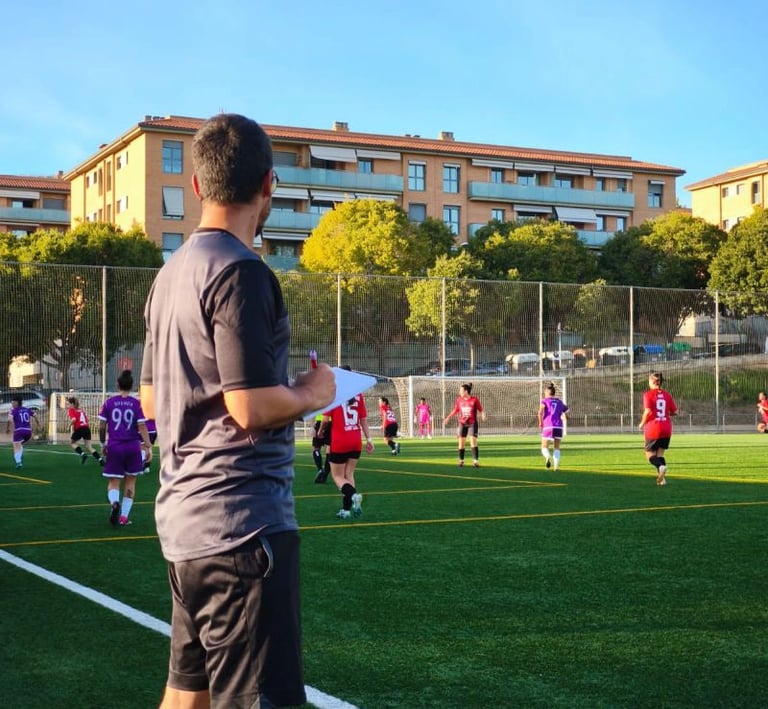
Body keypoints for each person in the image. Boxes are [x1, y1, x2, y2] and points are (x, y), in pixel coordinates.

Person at [140, 113, 335, 709]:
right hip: (242, 532)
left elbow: (151, 398)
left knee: (186, 697)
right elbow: (249, 405)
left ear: (197, 187)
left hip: (185, 529)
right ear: (269, 185)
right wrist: (313, 393)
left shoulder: (169, 275)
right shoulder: (242, 272)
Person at [98, 370, 153, 526]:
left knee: (114, 482)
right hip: (133, 446)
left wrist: (103, 444)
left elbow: (102, 426)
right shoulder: (136, 404)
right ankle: (123, 517)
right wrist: (148, 446)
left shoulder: (109, 402)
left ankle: (114, 503)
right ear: (132, 386)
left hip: (115, 445)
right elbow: (142, 426)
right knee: (131, 482)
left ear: (117, 385)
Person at [318, 373, 373, 519]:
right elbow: (363, 419)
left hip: (340, 440)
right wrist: (369, 439)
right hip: (356, 439)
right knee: (349, 475)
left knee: (337, 477)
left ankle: (354, 495)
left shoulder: (335, 394)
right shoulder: (358, 394)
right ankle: (346, 510)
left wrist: (320, 432)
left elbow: (324, 420)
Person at [638, 371, 678, 486]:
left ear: (652, 381)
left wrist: (641, 423)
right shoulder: (667, 395)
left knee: (649, 454)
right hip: (666, 428)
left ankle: (660, 466)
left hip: (653, 428)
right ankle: (662, 479)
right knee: (660, 454)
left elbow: (648, 411)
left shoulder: (648, 394)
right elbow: (675, 412)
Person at [444, 382, 486, 468]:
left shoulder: (474, 400)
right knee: (461, 443)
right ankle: (461, 461)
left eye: (461, 390)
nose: (460, 392)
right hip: (462, 423)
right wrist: (448, 417)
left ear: (466, 391)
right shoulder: (459, 400)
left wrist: (483, 414)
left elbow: (481, 409)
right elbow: (455, 410)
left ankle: (475, 461)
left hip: (472, 424)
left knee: (473, 442)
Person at [537, 382, 569, 470]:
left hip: (548, 426)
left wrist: (540, 422)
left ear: (547, 393)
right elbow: (566, 413)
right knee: (557, 448)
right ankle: (556, 467)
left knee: (544, 447)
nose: (544, 394)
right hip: (558, 426)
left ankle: (547, 457)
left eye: (545, 393)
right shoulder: (560, 402)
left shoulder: (544, 401)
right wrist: (564, 417)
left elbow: (540, 412)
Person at [66, 396, 105, 466]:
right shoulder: (81, 411)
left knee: (72, 443)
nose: (68, 405)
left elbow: (74, 419)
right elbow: (86, 421)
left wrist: (68, 426)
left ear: (72, 404)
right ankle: (100, 460)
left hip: (79, 429)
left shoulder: (71, 410)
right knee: (89, 447)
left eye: (68, 404)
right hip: (86, 429)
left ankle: (83, 454)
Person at [5, 397, 40, 469]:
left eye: (12, 402)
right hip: (28, 432)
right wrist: (38, 424)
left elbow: (9, 420)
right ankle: (19, 459)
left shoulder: (13, 410)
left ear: (16, 403)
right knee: (19, 444)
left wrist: (8, 428)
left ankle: (18, 462)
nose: (11, 403)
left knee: (16, 446)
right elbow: (35, 415)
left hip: (19, 431)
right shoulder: (27, 409)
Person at [312, 412, 331, 483]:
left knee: (316, 448)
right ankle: (325, 475)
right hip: (332, 423)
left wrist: (312, 426)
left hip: (320, 421)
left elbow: (312, 410)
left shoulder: (317, 400)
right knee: (329, 450)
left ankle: (320, 469)